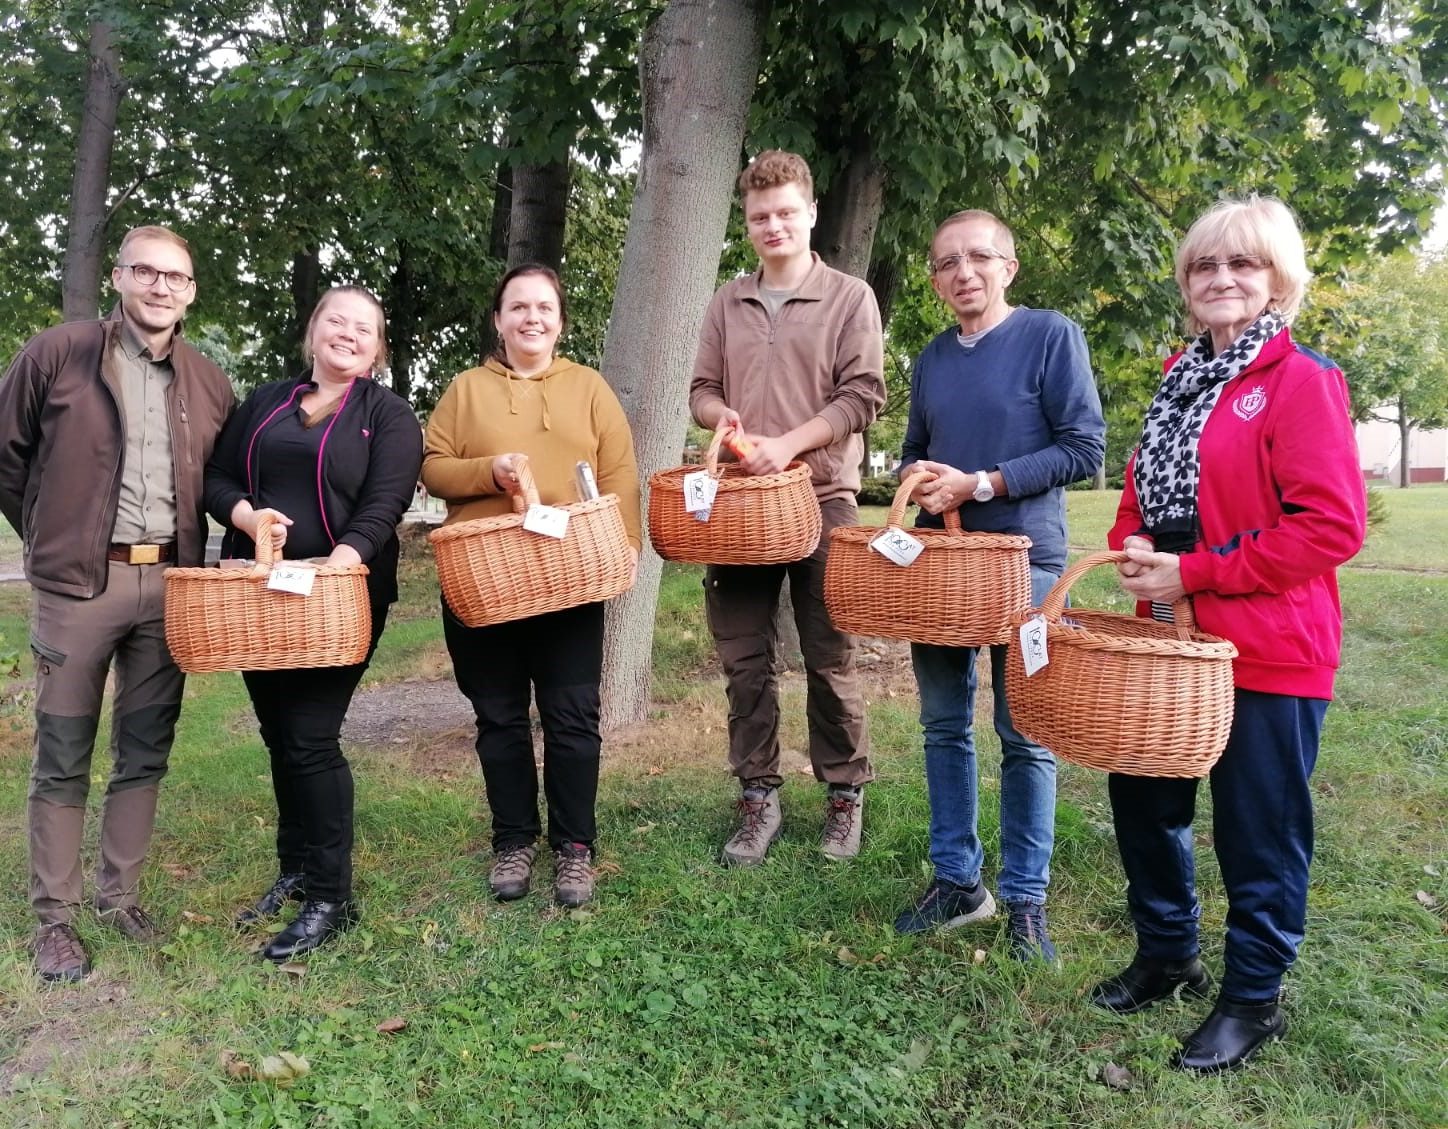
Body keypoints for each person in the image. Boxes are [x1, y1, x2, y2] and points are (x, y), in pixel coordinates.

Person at [1096, 196, 1365, 1071]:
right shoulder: (1177, 383)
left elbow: (1330, 526)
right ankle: (1167, 953)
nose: (1222, 279)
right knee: (1146, 804)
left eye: (1243, 264)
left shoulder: (1301, 381)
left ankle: (1252, 999)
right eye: (1205, 265)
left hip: (1269, 649)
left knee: (1259, 828)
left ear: (1278, 279)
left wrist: (1199, 573)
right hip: (1167, 642)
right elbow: (1138, 505)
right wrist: (1132, 552)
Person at [0, 226, 235, 983]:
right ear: (120, 277)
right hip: (78, 590)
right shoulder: (57, 355)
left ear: (190, 293)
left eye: (176, 278)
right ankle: (53, 920)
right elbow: (1, 455)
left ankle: (118, 898)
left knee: (145, 749)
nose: (160, 287)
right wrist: (50, 534)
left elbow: (220, 481)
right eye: (146, 272)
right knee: (62, 755)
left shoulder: (207, 381)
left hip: (171, 588)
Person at [893, 209, 1104, 961]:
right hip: (942, 571)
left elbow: (1084, 449)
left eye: (978, 257)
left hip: (1028, 565)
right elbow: (916, 450)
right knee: (944, 725)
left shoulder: (1051, 336)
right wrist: (916, 478)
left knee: (1028, 735)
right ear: (936, 280)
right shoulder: (931, 358)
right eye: (947, 263)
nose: (963, 273)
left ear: (1008, 267)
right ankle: (958, 882)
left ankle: (1025, 900)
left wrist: (980, 483)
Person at [204, 286, 423, 961]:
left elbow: (386, 503)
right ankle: (295, 867)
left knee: (309, 735)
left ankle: (332, 895)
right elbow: (216, 478)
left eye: (364, 328)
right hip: (258, 593)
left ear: (378, 348)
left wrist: (339, 562)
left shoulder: (387, 415)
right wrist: (245, 516)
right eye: (337, 320)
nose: (348, 334)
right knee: (278, 734)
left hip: (340, 594)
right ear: (313, 330)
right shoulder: (266, 402)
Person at [688, 149, 885, 866]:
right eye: (759, 217)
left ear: (809, 214)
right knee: (744, 660)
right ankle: (758, 798)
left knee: (830, 658)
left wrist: (794, 445)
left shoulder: (849, 298)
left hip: (822, 501)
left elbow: (863, 396)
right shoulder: (726, 301)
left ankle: (843, 798)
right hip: (742, 504)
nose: (773, 226)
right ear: (748, 224)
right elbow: (703, 390)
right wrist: (728, 424)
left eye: (784, 213)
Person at [422, 263, 641, 908]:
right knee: (500, 717)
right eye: (518, 307)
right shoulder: (464, 391)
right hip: (486, 581)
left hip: (568, 579)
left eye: (544, 307)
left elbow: (620, 472)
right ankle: (513, 838)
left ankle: (575, 847)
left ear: (560, 321)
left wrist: (621, 549)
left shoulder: (590, 388)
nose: (531, 318)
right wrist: (488, 471)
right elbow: (433, 468)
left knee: (574, 717)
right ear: (498, 320)